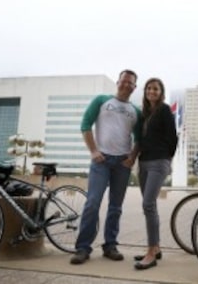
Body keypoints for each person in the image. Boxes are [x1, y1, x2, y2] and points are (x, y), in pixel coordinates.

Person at [70, 69, 142, 265]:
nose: (126, 84)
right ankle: (83, 248)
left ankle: (110, 245)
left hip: (122, 164)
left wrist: (132, 157)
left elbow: (140, 138)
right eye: (124, 81)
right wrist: (93, 151)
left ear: (134, 87)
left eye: (131, 83)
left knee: (115, 207)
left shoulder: (136, 111)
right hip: (100, 161)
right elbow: (85, 124)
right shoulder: (102, 100)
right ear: (118, 82)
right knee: (92, 203)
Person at [133, 78, 177, 270]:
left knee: (148, 204)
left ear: (161, 92)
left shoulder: (164, 110)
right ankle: (156, 247)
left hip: (159, 162)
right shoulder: (144, 114)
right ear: (145, 91)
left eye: (156, 89)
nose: (152, 91)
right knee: (149, 207)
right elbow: (141, 140)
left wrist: (167, 159)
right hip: (143, 162)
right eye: (149, 88)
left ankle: (151, 252)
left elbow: (172, 138)